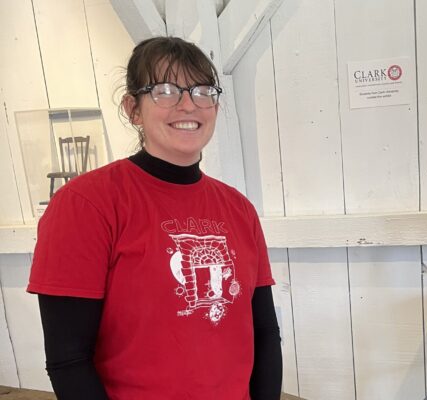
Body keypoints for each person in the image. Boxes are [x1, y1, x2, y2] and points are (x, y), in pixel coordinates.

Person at [27, 36, 282, 399]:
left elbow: (265, 332)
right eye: (165, 90)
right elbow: (69, 361)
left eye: (202, 90)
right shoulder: (85, 204)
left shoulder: (239, 209)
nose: (188, 104)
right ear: (133, 109)